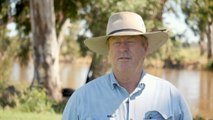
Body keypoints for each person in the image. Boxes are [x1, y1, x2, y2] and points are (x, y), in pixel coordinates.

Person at [62, 11, 192, 120]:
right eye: (116, 43)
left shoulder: (171, 96)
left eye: (130, 41)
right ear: (109, 50)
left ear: (145, 48)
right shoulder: (82, 98)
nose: (123, 48)